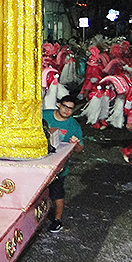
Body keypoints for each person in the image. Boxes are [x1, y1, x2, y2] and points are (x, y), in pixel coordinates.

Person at [42, 94, 84, 232]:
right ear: (59, 104)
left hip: (59, 166)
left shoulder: (73, 126)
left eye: (70, 109)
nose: (67, 110)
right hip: (41, 161)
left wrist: (75, 145)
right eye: (65, 106)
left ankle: (57, 220)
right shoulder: (44, 115)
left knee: (57, 193)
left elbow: (80, 149)